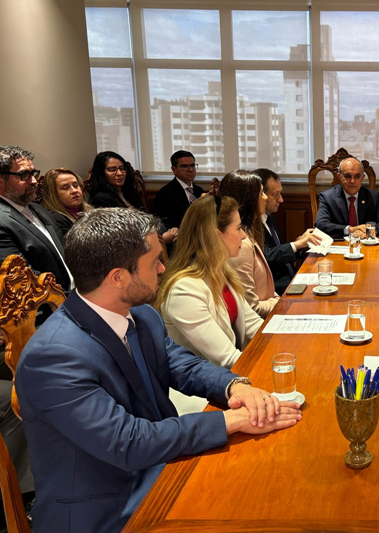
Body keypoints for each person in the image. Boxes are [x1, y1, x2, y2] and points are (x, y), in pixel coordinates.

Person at [15, 207, 302, 533]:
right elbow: (127, 443)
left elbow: (184, 365)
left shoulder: (142, 316)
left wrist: (236, 387)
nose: (164, 268)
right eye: (154, 262)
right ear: (118, 277)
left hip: (160, 467)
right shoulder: (54, 356)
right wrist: (227, 420)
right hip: (104, 509)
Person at [157, 196, 263, 369]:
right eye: (238, 229)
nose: (244, 236)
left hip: (232, 373)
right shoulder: (184, 290)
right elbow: (226, 358)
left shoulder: (221, 271)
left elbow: (254, 325)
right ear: (215, 236)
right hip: (201, 390)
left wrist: (285, 344)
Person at [0, 145, 73, 292]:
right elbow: (21, 278)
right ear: (1, 181)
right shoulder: (2, 221)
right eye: (24, 175)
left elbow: (65, 252)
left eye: (33, 173)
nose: (34, 181)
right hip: (46, 306)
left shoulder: (38, 209)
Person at [218, 170, 280, 318]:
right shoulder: (241, 244)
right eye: (261, 193)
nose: (265, 197)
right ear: (248, 200)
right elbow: (252, 308)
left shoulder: (249, 233)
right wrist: (280, 302)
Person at [254, 168, 320, 295]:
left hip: (293, 280)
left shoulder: (270, 217)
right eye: (275, 194)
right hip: (277, 289)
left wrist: (300, 244)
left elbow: (279, 251)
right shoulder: (249, 224)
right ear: (259, 194)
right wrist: (295, 245)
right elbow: (262, 257)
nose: (281, 200)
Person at [315, 157, 379, 239]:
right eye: (347, 176)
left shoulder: (373, 196)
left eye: (357, 176)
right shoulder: (327, 197)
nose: (352, 181)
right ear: (339, 177)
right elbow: (321, 224)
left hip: (365, 242)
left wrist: (370, 231)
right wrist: (350, 229)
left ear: (362, 178)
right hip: (340, 245)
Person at [152, 150, 204, 231]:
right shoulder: (165, 194)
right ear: (174, 169)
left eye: (193, 165)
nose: (190, 170)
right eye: (184, 166)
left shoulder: (199, 191)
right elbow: (166, 224)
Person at [38, 167, 93, 238]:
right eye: (65, 188)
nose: (74, 190)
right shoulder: (56, 220)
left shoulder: (88, 209)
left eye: (76, 185)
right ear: (53, 193)